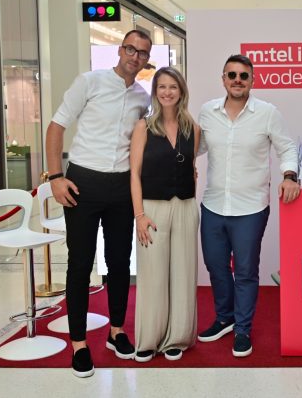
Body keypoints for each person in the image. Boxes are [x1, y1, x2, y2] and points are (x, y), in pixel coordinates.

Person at [46, 30, 152, 377]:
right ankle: (79, 344)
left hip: (121, 186)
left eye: (142, 53)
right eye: (130, 49)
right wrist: (55, 176)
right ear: (120, 50)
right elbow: (56, 126)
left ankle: (116, 331)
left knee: (119, 262)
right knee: (80, 263)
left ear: (147, 59)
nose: (135, 56)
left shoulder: (142, 98)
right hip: (83, 182)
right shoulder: (89, 82)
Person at [196, 54, 300, 357]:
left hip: (251, 208)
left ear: (252, 80)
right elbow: (196, 147)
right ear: (223, 79)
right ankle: (224, 318)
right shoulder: (207, 112)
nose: (237, 80)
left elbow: (287, 148)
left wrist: (290, 176)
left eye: (244, 75)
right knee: (216, 266)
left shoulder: (267, 113)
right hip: (213, 205)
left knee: (244, 271)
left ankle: (242, 329)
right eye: (232, 75)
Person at [129, 67, 200, 363]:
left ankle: (177, 338)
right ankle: (149, 339)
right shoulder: (143, 126)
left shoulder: (192, 128)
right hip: (152, 209)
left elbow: (191, 168)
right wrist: (139, 215)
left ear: (181, 91)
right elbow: (134, 173)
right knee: (153, 276)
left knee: (183, 274)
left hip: (185, 206)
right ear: (155, 91)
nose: (167, 92)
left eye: (173, 87)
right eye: (162, 87)